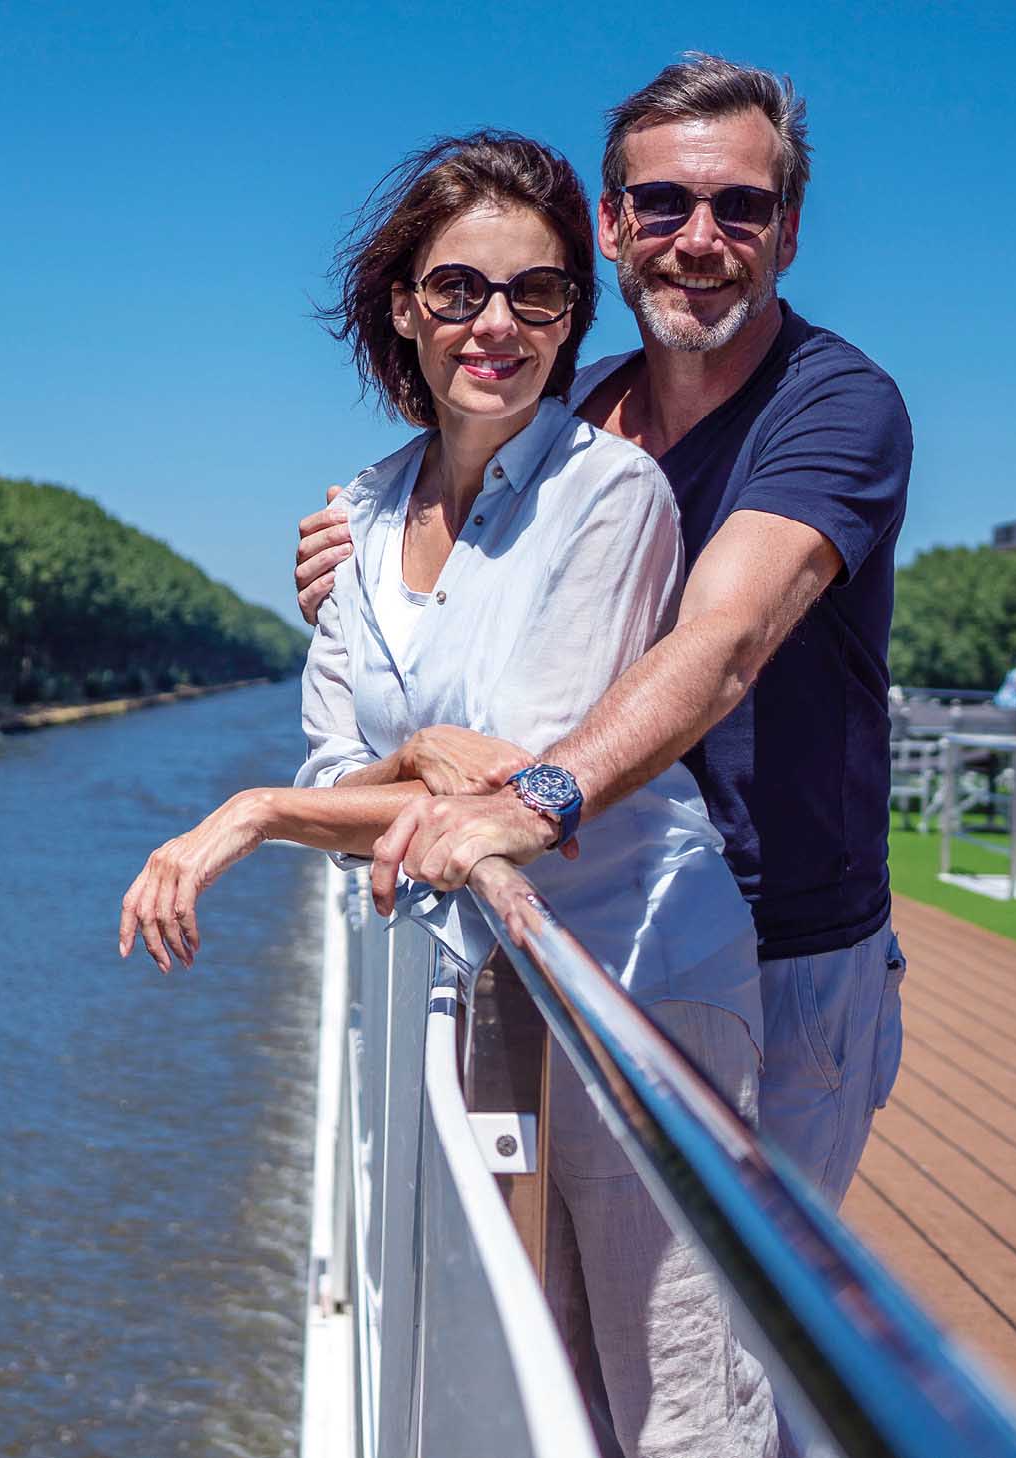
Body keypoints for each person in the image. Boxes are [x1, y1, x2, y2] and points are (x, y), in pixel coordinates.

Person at [116, 131, 772, 1458]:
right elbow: (346, 766)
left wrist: (249, 812)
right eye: (460, 288)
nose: (497, 324)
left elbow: (518, 777)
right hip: (481, 971)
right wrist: (411, 764)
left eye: (537, 295)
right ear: (403, 306)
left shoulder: (611, 493)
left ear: (569, 317)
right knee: (536, 1371)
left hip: (634, 973)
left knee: (681, 1394)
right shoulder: (353, 517)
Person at [293, 56, 913, 1231]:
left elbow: (725, 638)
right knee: (570, 1349)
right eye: (664, 204)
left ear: (787, 233)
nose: (700, 237)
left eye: (741, 206)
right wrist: (354, 574)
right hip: (590, 929)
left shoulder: (835, 407)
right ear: (613, 230)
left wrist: (536, 797)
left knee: (726, 1360)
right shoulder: (579, 419)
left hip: (780, 957)